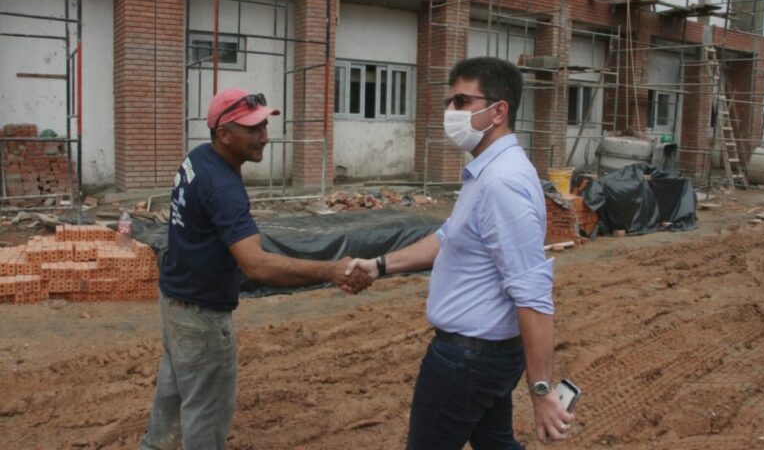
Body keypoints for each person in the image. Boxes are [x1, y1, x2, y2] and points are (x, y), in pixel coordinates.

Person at [346, 57, 573, 449]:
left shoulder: (502, 183)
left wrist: (541, 392)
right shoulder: (487, 173)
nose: (450, 113)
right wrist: (379, 266)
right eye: (450, 102)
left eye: (462, 101)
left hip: (468, 360)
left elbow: (534, 295)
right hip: (483, 354)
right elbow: (448, 239)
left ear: (498, 111)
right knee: (494, 442)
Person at [140, 88, 371, 450]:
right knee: (206, 417)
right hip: (201, 317)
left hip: (175, 301)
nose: (264, 136)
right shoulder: (223, 186)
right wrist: (331, 270)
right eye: (251, 129)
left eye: (264, 125)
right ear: (223, 133)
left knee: (171, 403)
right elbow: (256, 264)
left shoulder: (198, 159)